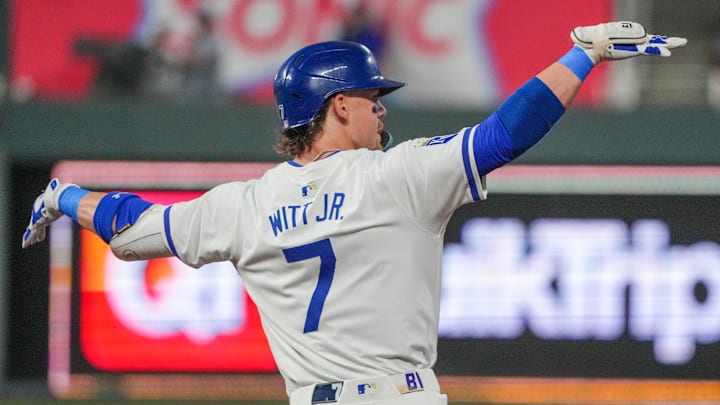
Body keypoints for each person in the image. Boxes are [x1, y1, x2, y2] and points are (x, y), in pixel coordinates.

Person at [22, 22, 685, 405]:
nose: (382, 108)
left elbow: (131, 225)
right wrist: (584, 53)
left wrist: (64, 199)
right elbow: (507, 131)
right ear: (337, 105)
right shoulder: (397, 176)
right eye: (371, 96)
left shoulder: (245, 206)